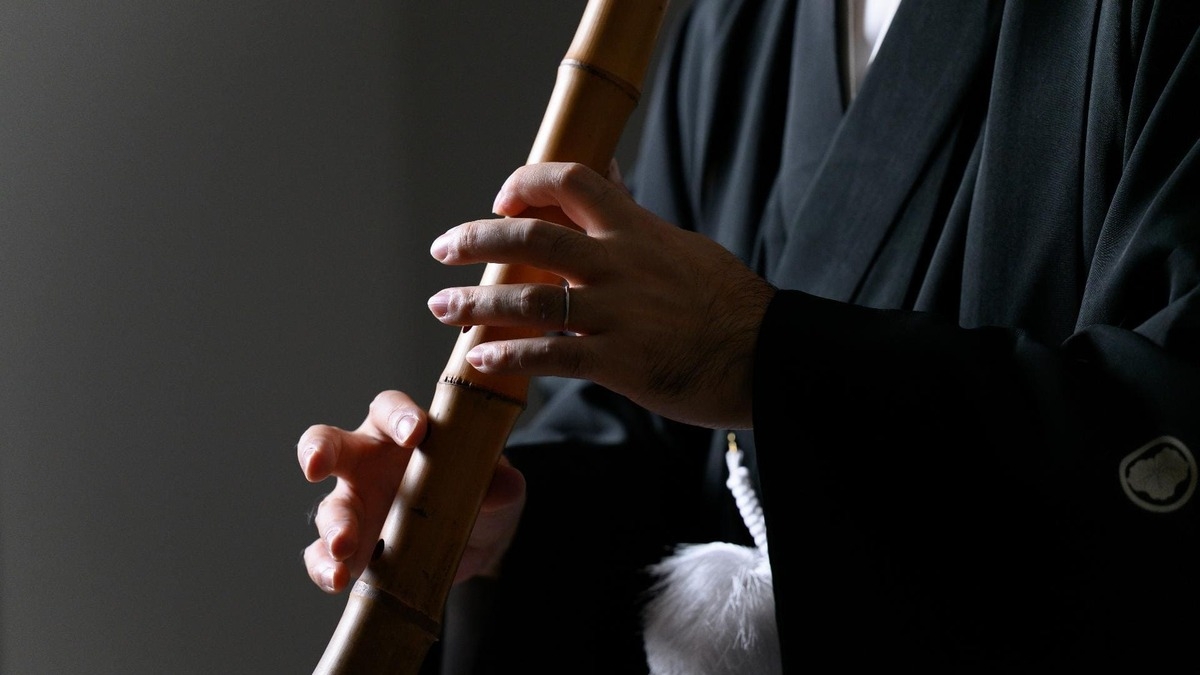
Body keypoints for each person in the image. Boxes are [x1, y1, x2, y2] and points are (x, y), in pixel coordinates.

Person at [298, 0, 1200, 671]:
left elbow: (1171, 420)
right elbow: (666, 440)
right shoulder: (738, 22)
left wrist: (761, 356)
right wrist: (502, 522)